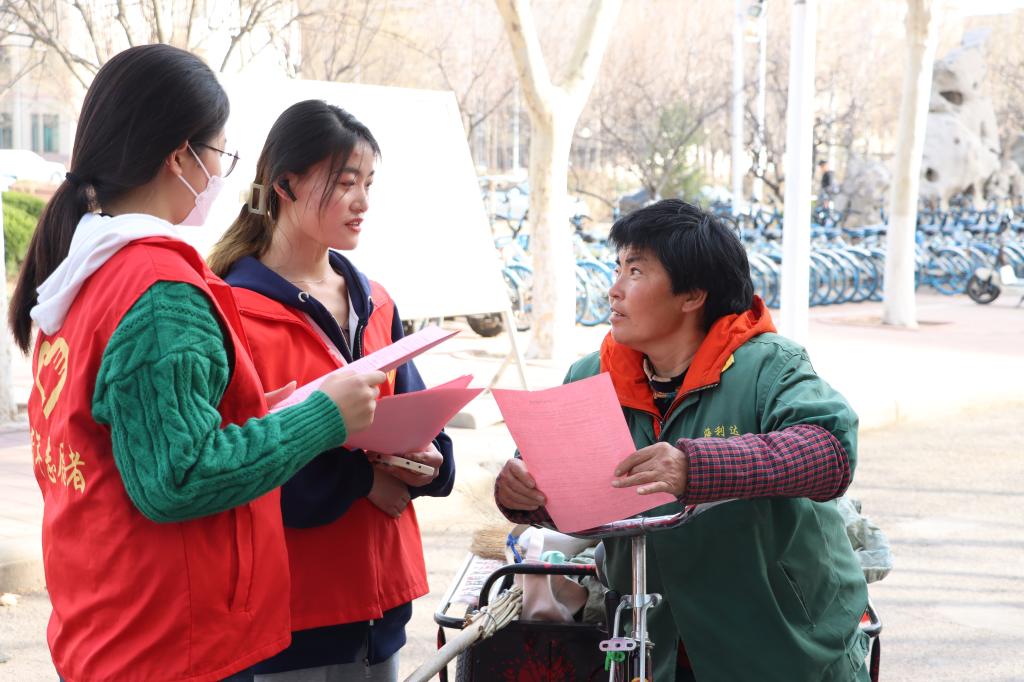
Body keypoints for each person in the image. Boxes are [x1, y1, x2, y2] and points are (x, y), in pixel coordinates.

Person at [8, 46, 385, 682]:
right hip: (169, 638)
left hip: (109, 621)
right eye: (220, 153)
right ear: (180, 156)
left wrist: (250, 414)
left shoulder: (84, 273)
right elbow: (178, 477)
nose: (220, 174)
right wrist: (322, 417)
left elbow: (133, 439)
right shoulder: (159, 289)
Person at [494, 199, 870, 682]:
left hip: (783, 645)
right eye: (617, 268)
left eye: (635, 271)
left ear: (692, 294)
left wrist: (696, 468)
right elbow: (557, 491)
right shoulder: (592, 376)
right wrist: (522, 495)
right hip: (654, 646)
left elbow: (830, 452)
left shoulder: (769, 365)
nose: (614, 289)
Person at [207, 100, 456, 682]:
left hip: (381, 613)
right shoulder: (229, 311)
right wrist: (361, 481)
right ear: (285, 185)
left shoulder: (377, 301)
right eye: (345, 183)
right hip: (287, 619)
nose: (362, 201)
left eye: (368, 183)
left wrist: (431, 463)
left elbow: (422, 421)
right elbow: (230, 468)